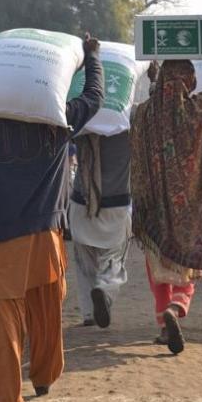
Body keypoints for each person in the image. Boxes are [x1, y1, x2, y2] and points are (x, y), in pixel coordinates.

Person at [0, 34, 103, 402]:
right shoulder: (60, 120)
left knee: (3, 317)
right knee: (46, 309)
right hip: (45, 235)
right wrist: (92, 57)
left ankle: (6, 396)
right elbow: (95, 97)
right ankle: (44, 377)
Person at [131, 19, 202, 354]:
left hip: (155, 210)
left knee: (158, 267)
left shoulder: (144, 114)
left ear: (160, 81)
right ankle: (176, 309)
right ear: (190, 81)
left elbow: (156, 112)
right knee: (187, 269)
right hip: (192, 212)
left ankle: (164, 324)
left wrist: (154, 81)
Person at [70, 131, 131, 328]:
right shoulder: (128, 122)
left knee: (84, 260)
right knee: (114, 259)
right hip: (117, 203)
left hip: (82, 200)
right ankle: (104, 289)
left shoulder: (84, 120)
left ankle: (88, 312)